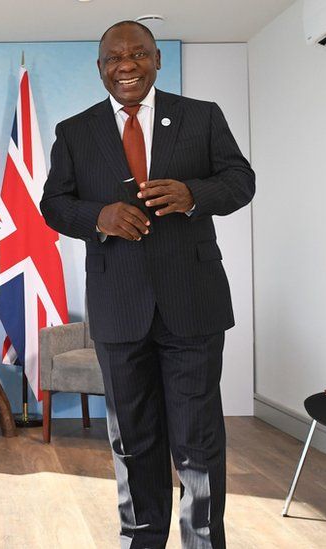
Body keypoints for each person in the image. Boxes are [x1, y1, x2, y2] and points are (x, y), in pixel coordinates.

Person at [40, 20, 255, 549]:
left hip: (193, 303)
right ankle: (141, 540)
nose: (127, 65)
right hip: (119, 307)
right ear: (100, 68)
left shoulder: (201, 117)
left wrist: (192, 194)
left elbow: (240, 181)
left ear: (157, 60)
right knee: (133, 440)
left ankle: (204, 542)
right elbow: (53, 204)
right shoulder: (75, 131)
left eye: (139, 54)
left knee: (198, 440)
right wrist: (100, 216)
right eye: (115, 57)